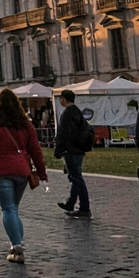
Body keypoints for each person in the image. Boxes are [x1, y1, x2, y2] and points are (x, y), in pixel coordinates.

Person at [0, 88, 48, 264]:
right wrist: (42, 173)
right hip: (21, 170)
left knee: (8, 208)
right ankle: (16, 245)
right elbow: (36, 150)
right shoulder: (25, 123)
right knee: (14, 208)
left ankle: (17, 245)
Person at [53, 89, 93, 219]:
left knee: (76, 178)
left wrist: (58, 150)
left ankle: (84, 207)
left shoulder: (67, 114)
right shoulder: (77, 112)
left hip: (71, 150)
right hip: (79, 150)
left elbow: (63, 134)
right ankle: (70, 203)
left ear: (64, 99)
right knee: (76, 177)